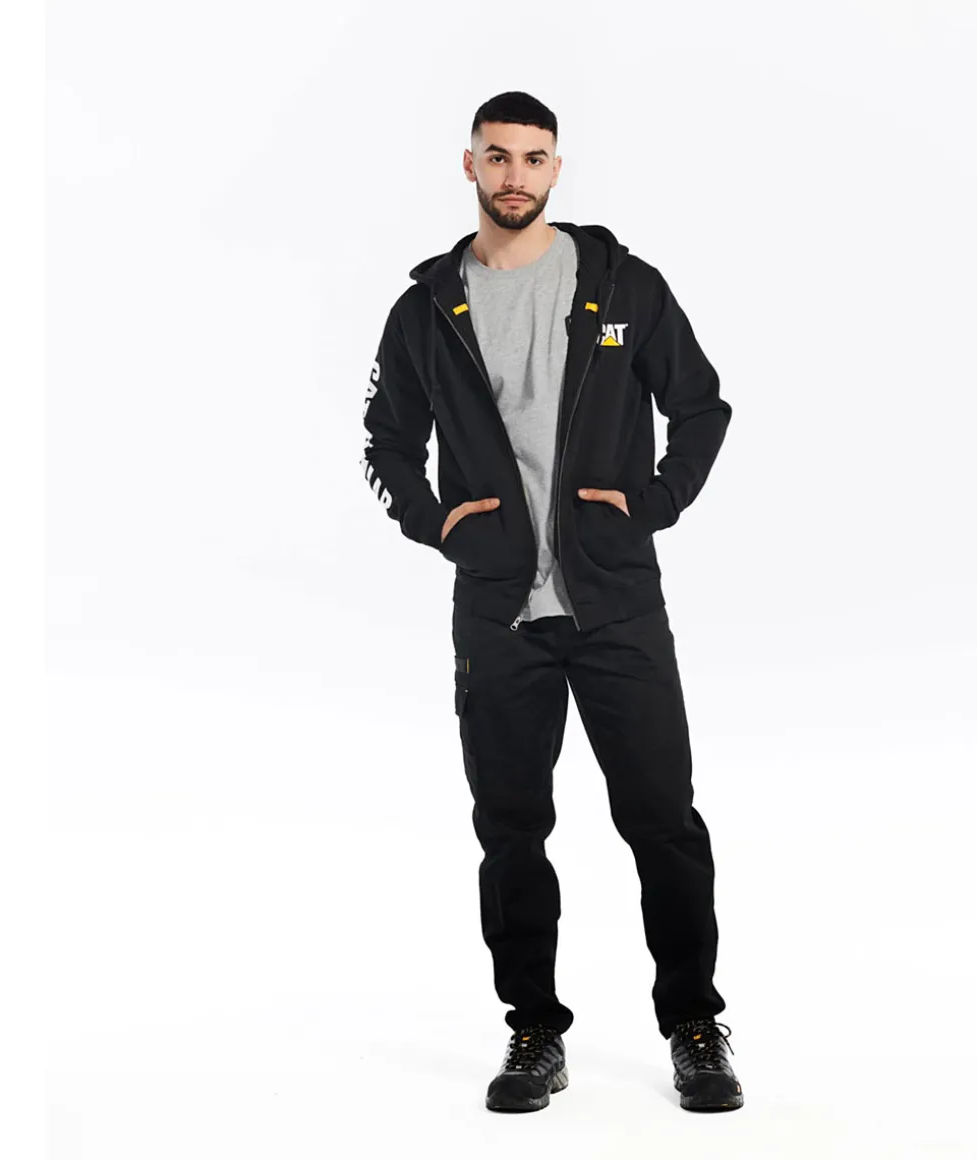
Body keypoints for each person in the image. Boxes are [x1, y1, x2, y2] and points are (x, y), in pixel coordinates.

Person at [360, 91, 742, 1114]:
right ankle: (533, 1028)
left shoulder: (622, 286)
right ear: (470, 166)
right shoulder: (424, 310)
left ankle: (693, 1025)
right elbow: (383, 443)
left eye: (533, 158)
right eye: (497, 157)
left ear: (556, 169)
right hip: (497, 610)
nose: (515, 176)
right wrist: (435, 522)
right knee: (511, 826)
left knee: (662, 820)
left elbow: (701, 407)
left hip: (615, 603)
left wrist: (653, 503)